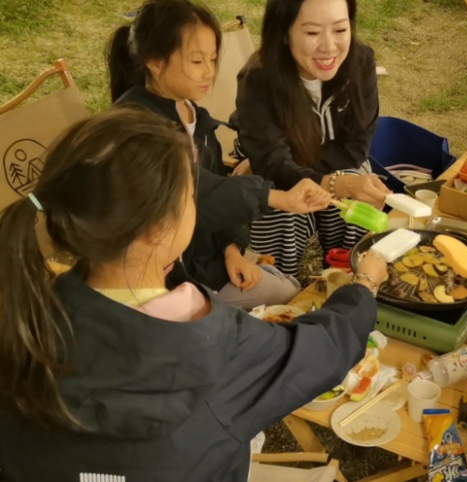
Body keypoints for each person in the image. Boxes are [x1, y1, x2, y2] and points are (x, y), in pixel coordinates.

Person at [0, 108, 388, 480]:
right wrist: (364, 285)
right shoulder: (212, 346)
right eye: (190, 197)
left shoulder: (24, 315)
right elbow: (319, 351)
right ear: (156, 228)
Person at [107, 0, 332, 308]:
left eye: (213, 59)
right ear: (155, 61)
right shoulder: (135, 127)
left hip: (203, 260)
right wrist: (275, 197)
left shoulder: (192, 114)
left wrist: (231, 250)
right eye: (196, 61)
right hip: (160, 278)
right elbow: (194, 190)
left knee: (289, 290)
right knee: (288, 299)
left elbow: (216, 183)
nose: (209, 72)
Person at [232, 0, 390, 278]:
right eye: (312, 32)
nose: (329, 46)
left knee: (357, 188)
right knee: (278, 201)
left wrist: (333, 182)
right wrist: (331, 182)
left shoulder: (360, 62)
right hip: (283, 175)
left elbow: (356, 148)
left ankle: (349, 279)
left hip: (330, 165)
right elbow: (274, 167)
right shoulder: (259, 79)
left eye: (340, 30)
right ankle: (280, 290)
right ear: (284, 33)